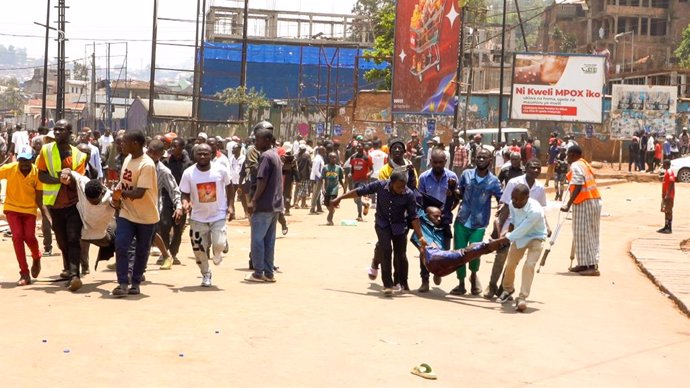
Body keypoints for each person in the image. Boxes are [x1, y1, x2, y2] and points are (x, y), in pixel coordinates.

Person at [332, 170, 426, 296]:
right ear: (391, 183)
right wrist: (340, 198)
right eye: (399, 187)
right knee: (386, 250)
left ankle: (400, 282)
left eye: (403, 187)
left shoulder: (408, 194)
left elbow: (413, 217)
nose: (401, 190)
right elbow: (360, 191)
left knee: (400, 255)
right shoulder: (380, 186)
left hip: (399, 226)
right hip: (383, 224)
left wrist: (420, 237)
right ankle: (387, 285)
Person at [36, 119, 88, 291]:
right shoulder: (46, 150)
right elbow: (41, 176)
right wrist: (59, 179)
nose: (57, 133)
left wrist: (70, 179)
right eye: (55, 130)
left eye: (61, 130)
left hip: (74, 204)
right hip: (55, 205)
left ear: (70, 132)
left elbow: (79, 182)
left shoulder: (79, 155)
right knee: (62, 240)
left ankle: (75, 275)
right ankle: (68, 268)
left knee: (73, 238)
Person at [485, 158, 547, 299]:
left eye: (538, 168)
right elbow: (507, 208)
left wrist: (546, 226)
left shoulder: (539, 191)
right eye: (533, 167)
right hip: (513, 228)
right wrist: (500, 231)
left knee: (521, 263)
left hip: (532, 231)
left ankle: (513, 293)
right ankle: (494, 286)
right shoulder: (514, 185)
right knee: (503, 257)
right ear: (526, 168)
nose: (536, 170)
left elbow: (539, 213)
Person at [111, 130, 159, 297]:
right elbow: (124, 183)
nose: (121, 144)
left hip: (146, 215)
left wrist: (121, 194)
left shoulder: (147, 164)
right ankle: (123, 283)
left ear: (135, 144)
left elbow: (139, 193)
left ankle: (136, 282)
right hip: (127, 212)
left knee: (141, 250)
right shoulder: (127, 160)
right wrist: (117, 193)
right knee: (121, 244)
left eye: (125, 142)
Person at [180, 143, 232, 287]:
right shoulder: (189, 173)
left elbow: (229, 186)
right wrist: (185, 203)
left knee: (219, 244)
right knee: (198, 249)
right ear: (194, 155)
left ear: (212, 155)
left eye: (206, 153)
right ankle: (206, 274)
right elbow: (184, 192)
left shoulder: (220, 170)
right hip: (197, 217)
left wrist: (231, 206)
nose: (202, 156)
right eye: (199, 153)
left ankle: (220, 248)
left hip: (218, 214)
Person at [451, 148, 502, 295]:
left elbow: (501, 199)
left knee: (474, 252)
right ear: (474, 159)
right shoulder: (466, 174)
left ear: (490, 161)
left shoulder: (493, 181)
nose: (481, 160)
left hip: (479, 223)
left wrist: (500, 215)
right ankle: (461, 283)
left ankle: (473, 276)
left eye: (484, 158)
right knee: (459, 253)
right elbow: (459, 193)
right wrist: (454, 191)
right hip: (462, 220)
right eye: (479, 157)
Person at [495, 184, 548, 312]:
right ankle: (508, 289)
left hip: (536, 237)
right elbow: (513, 221)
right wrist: (505, 236)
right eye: (514, 198)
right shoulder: (513, 204)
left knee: (529, 265)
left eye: (520, 200)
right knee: (511, 264)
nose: (516, 202)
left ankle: (522, 297)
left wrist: (505, 238)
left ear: (527, 197)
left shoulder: (535, 210)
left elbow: (523, 229)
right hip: (519, 237)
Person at [0, 145, 43, 286]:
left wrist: (44, 213)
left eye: (27, 160)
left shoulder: (37, 173)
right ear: (18, 159)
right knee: (17, 237)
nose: (24, 164)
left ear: (32, 160)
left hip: (30, 209)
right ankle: (24, 273)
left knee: (29, 237)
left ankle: (36, 257)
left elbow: (39, 196)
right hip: (12, 208)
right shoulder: (9, 169)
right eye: (21, 160)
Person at [416, 149, 458, 292]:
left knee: (444, 251)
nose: (438, 165)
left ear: (445, 162)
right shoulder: (423, 178)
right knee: (424, 251)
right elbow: (419, 199)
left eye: (441, 162)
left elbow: (456, 198)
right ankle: (424, 280)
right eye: (435, 162)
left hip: (445, 219)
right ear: (431, 162)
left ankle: (438, 271)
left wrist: (448, 210)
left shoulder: (452, 177)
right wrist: (427, 215)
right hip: (427, 220)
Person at [245, 128, 283, 283]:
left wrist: (253, 200)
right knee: (269, 240)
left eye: (258, 140)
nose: (255, 143)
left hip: (264, 204)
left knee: (257, 239)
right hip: (275, 205)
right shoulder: (275, 155)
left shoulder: (266, 157)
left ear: (267, 140)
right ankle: (269, 272)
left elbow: (262, 180)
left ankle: (258, 272)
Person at [561, 145, 601, 276]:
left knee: (585, 233)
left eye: (568, 155)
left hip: (584, 201)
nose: (567, 158)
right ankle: (584, 263)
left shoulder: (576, 165)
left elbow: (578, 185)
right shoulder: (584, 163)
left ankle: (592, 266)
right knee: (583, 233)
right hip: (592, 200)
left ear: (572, 155)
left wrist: (568, 204)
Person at [147, 140, 184, 270]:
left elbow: (174, 190)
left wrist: (179, 206)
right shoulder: (136, 163)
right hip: (133, 207)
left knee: (148, 235)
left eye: (155, 153)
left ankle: (166, 255)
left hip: (151, 207)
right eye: (149, 151)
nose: (151, 155)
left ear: (161, 154)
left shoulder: (163, 171)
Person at [72, 173, 116, 272]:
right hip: (87, 235)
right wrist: (66, 173)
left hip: (102, 237)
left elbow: (117, 203)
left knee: (118, 229)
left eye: (95, 201)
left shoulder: (110, 199)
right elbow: (74, 174)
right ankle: (84, 267)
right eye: (90, 200)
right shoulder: (84, 187)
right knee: (80, 234)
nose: (92, 203)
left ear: (101, 193)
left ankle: (124, 266)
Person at [162, 137, 193, 264]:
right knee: (164, 225)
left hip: (183, 198)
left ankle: (173, 253)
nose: (173, 148)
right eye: (172, 146)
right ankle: (165, 251)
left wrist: (190, 201)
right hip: (167, 197)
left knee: (178, 228)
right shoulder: (166, 162)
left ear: (182, 148)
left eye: (176, 146)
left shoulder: (189, 165)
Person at [344, 142, 372, 221]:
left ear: (363, 147)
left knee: (358, 197)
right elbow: (351, 168)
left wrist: (369, 173)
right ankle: (365, 205)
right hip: (354, 180)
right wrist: (350, 173)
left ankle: (359, 216)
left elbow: (371, 169)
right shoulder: (353, 157)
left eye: (360, 146)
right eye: (357, 146)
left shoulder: (366, 158)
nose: (358, 147)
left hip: (363, 180)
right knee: (355, 199)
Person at [322, 152, 346, 226]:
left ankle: (330, 219)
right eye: (332, 158)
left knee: (331, 203)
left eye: (335, 157)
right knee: (327, 205)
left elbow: (341, 180)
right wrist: (323, 188)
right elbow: (323, 179)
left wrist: (344, 189)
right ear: (329, 158)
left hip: (334, 189)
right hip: (327, 189)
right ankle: (331, 211)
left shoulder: (338, 168)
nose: (334, 159)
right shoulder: (325, 168)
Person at [228, 142, 248, 218]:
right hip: (233, 181)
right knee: (231, 197)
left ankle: (246, 212)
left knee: (242, 197)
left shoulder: (244, 158)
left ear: (239, 150)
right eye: (233, 149)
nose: (233, 150)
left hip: (241, 181)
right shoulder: (231, 159)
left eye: (235, 149)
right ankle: (232, 213)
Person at [658, 159, 675, 234]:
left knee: (669, 211)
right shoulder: (666, 172)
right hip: (666, 195)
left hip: (669, 196)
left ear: (667, 164)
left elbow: (671, 182)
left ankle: (669, 228)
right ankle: (666, 226)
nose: (663, 165)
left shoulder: (669, 171)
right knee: (666, 211)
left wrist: (668, 194)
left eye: (664, 164)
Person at [294, 144, 312, 209]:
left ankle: (303, 204)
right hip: (305, 175)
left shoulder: (298, 156)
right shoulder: (307, 156)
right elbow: (310, 164)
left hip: (299, 174)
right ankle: (296, 202)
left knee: (304, 189)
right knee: (302, 189)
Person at [309, 146, 325, 214]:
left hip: (318, 178)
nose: (325, 152)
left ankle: (315, 208)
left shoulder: (320, 158)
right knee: (315, 194)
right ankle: (312, 209)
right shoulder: (318, 159)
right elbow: (315, 169)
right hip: (317, 178)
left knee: (317, 194)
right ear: (320, 151)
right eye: (323, 150)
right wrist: (320, 177)